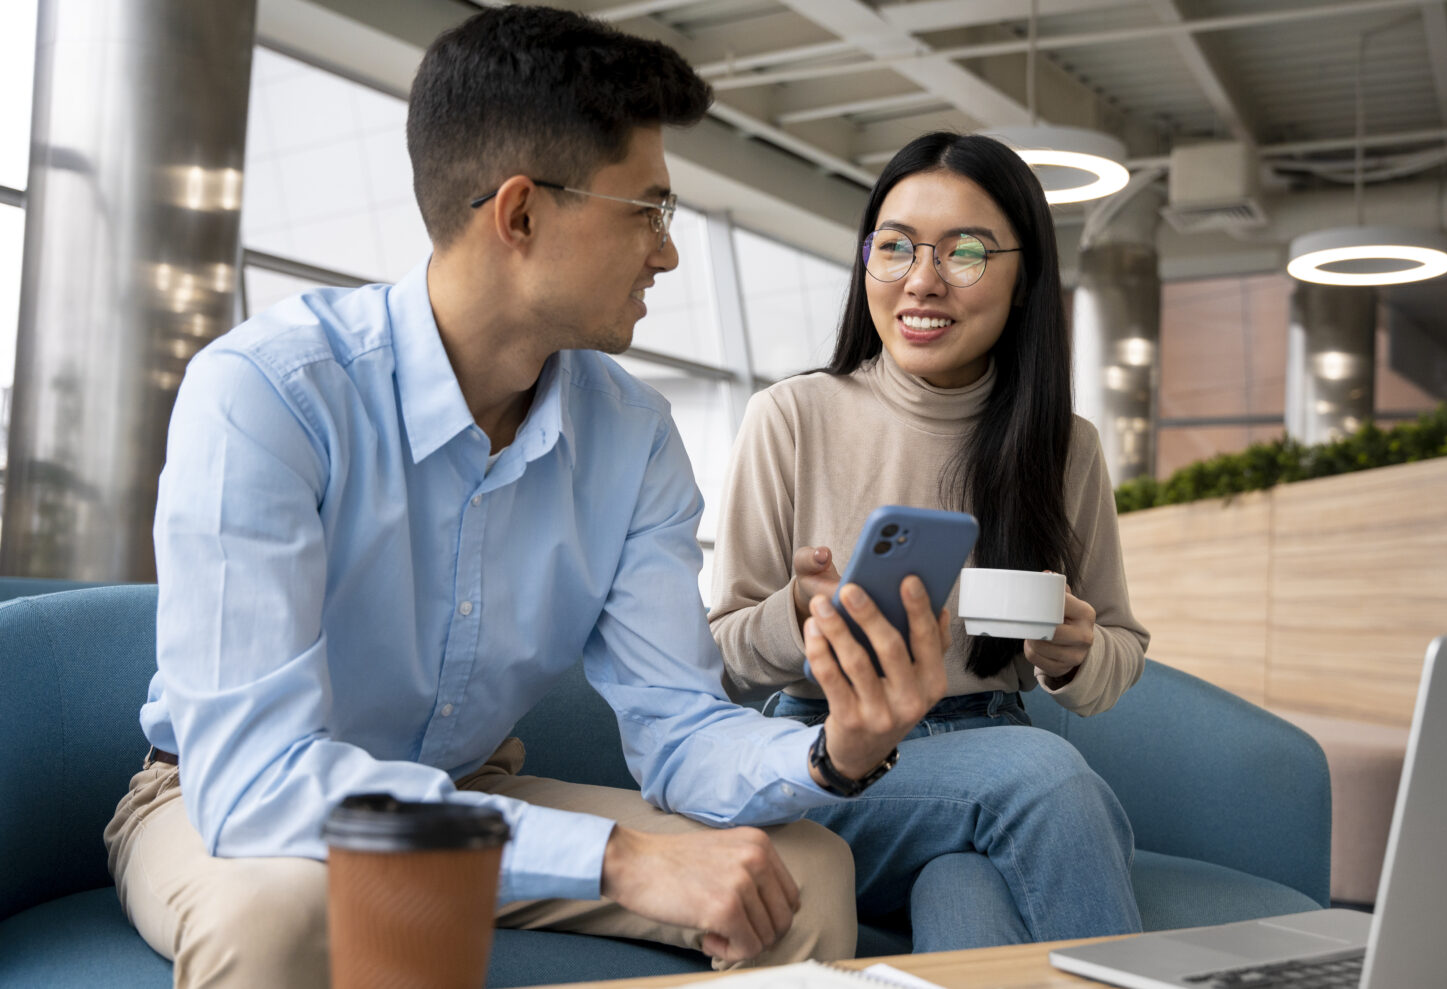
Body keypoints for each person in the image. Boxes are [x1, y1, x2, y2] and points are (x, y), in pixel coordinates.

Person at [103, 8, 953, 986]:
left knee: (803, 869)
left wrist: (834, 751)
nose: (669, 253)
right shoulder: (268, 391)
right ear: (520, 214)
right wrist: (618, 857)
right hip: (229, 801)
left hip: (471, 790)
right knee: (284, 909)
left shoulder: (632, 437)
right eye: (648, 210)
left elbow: (679, 726)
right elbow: (256, 781)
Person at [709, 131, 1149, 951]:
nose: (922, 279)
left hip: (992, 742)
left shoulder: (1065, 447)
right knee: (1048, 779)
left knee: (967, 893)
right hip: (834, 756)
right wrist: (796, 611)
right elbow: (725, 651)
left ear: (1023, 283)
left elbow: (1119, 649)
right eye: (896, 247)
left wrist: (1077, 654)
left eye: (968, 253)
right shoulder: (792, 416)